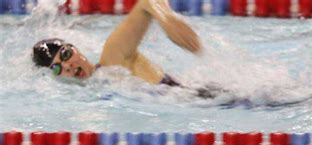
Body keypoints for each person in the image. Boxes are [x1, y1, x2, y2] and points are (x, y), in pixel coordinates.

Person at [32, 0, 201, 86]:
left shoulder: (113, 58)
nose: (67, 66)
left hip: (202, 99)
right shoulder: (93, 92)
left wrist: (167, 20)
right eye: (57, 68)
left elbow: (146, 3)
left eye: (65, 54)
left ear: (74, 49)